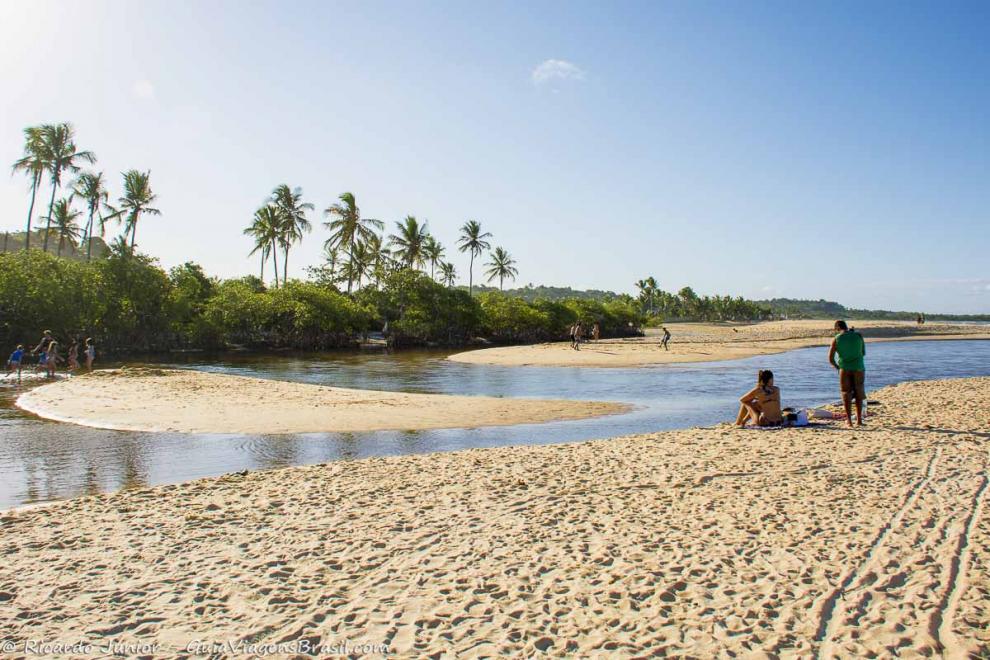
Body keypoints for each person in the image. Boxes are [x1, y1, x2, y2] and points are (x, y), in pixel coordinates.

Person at [829, 320, 866, 427]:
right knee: (859, 392)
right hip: (859, 367)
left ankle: (849, 421)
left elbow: (831, 359)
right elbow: (863, 353)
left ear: (836, 329)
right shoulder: (858, 336)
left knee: (846, 392)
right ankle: (859, 420)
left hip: (844, 369)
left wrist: (838, 367)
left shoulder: (836, 339)